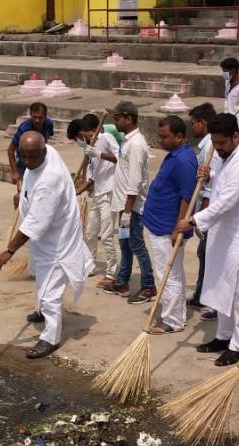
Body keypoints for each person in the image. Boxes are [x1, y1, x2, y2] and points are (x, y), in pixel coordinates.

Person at [175, 113, 239, 367]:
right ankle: (223, 336)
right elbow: (223, 184)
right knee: (223, 285)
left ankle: (238, 346)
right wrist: (210, 176)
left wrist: (193, 220)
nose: (217, 149)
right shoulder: (229, 154)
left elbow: (228, 200)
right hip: (227, 232)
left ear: (236, 136)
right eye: (214, 144)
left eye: (221, 144)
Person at [0, 132, 94, 359]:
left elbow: (33, 226)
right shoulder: (47, 155)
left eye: (32, 157)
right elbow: (31, 183)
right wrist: (23, 196)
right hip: (45, 239)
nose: (28, 162)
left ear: (43, 151)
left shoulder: (51, 179)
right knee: (40, 275)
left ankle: (50, 338)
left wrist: (9, 251)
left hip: (57, 242)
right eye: (24, 156)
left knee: (50, 291)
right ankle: (42, 311)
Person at [141, 116, 200, 334]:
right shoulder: (175, 156)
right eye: (160, 135)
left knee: (168, 275)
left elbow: (187, 196)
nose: (161, 140)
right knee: (171, 273)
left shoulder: (184, 161)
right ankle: (176, 314)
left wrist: (178, 227)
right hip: (159, 224)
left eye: (165, 137)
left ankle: (172, 320)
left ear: (180, 136)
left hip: (167, 228)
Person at [99, 101, 155, 303]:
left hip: (130, 207)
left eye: (117, 118)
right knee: (124, 243)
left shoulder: (137, 144)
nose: (115, 122)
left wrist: (128, 211)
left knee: (137, 244)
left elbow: (135, 180)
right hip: (122, 204)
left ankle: (148, 286)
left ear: (128, 118)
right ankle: (122, 280)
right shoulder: (126, 141)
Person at [69, 115, 120, 287]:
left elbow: (119, 158)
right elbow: (89, 179)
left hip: (108, 193)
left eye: (81, 137)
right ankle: (89, 266)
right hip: (97, 194)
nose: (81, 141)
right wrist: (75, 192)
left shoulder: (106, 138)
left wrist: (98, 153)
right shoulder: (89, 150)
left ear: (86, 132)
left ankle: (112, 272)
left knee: (106, 235)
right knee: (90, 234)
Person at [187, 102, 220, 320]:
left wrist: (203, 218)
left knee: (210, 255)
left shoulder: (212, 148)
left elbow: (210, 188)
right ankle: (201, 294)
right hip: (204, 208)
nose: (192, 128)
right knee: (203, 253)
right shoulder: (205, 146)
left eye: (193, 123)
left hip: (211, 211)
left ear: (203, 123)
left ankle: (212, 301)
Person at [7, 102, 54, 185]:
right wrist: (14, 171)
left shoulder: (48, 124)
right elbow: (10, 149)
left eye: (40, 118)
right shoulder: (24, 129)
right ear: (30, 115)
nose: (37, 120)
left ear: (45, 116)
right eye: (34, 117)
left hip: (41, 164)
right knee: (23, 193)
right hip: (24, 164)